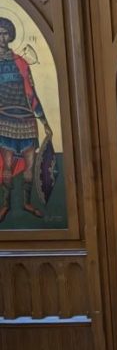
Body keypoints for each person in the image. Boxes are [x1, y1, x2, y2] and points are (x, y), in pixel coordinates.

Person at [0, 16, 51, 223]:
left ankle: (26, 202)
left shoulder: (20, 62)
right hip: (5, 119)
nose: (1, 37)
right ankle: (5, 204)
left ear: (10, 35)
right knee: (8, 166)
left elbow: (32, 93)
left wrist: (44, 122)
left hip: (27, 119)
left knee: (30, 165)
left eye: (4, 33)